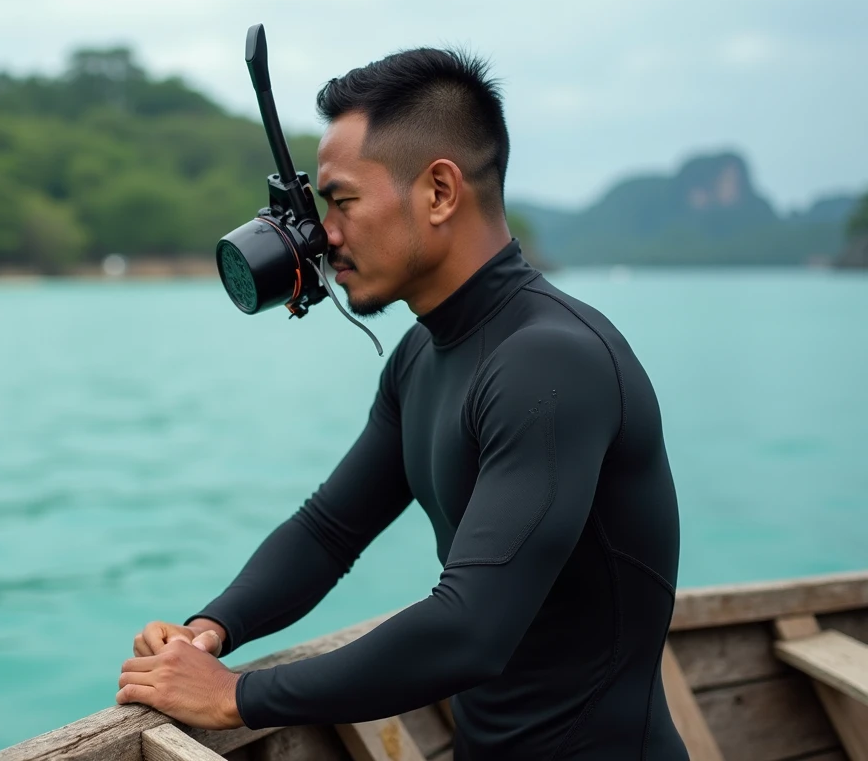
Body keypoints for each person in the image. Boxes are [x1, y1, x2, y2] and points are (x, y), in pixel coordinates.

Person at [116, 48, 687, 760]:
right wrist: (214, 627)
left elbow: (470, 630)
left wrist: (235, 696)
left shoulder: (551, 364)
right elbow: (329, 529)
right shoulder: (425, 354)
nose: (324, 233)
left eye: (342, 200)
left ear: (440, 192)